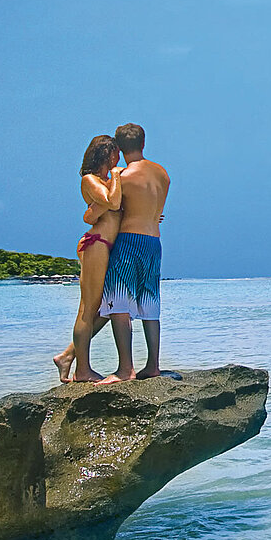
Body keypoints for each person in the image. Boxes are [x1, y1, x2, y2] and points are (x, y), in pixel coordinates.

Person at [84, 122, 171, 383]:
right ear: (143, 143)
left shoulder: (123, 176)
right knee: (150, 304)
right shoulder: (162, 174)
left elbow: (109, 207)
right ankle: (153, 365)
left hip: (129, 241)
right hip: (154, 242)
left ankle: (125, 370)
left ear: (119, 149)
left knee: (119, 304)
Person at [55, 135, 123, 383]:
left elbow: (107, 210)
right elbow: (113, 202)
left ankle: (67, 356)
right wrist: (116, 175)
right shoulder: (90, 180)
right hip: (96, 245)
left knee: (108, 307)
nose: (119, 157)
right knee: (88, 309)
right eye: (116, 153)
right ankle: (82, 370)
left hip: (106, 246)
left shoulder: (105, 182)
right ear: (106, 154)